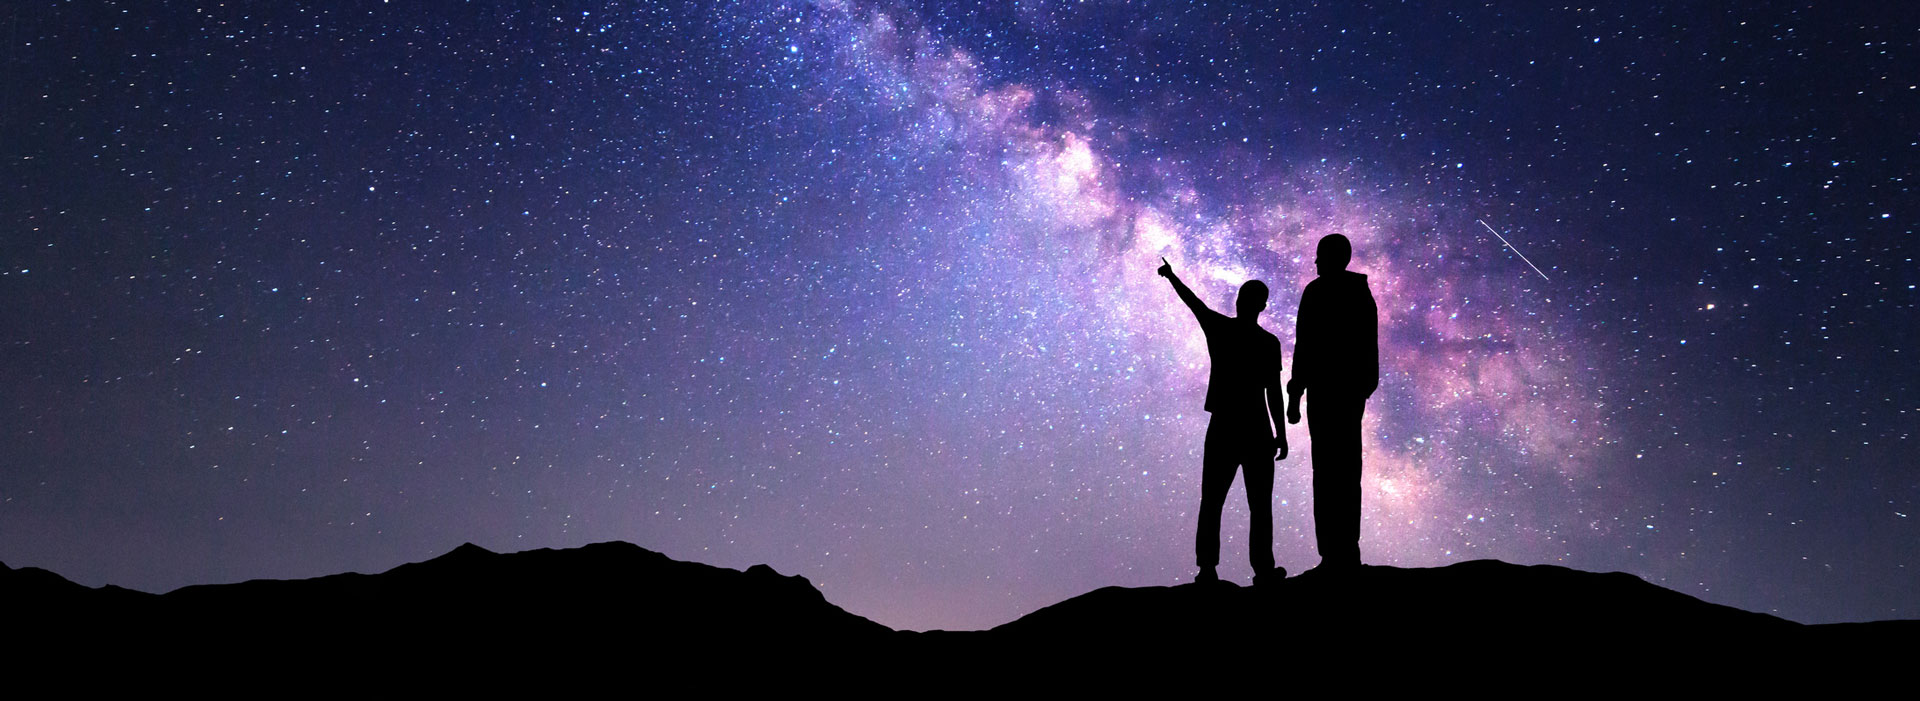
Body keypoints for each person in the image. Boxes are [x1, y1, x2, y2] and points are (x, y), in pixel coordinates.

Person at [1158, 257, 1289, 585]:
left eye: (1247, 297)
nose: (1243, 301)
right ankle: (1225, 568)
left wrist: (1281, 432)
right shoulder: (1256, 339)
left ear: (1255, 304)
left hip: (1238, 426)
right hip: (1245, 426)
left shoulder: (1243, 336)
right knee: (1232, 501)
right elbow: (1193, 303)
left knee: (1239, 502)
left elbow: (1274, 390)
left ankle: (1229, 568)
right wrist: (1172, 277)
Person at [1285, 234, 1379, 573]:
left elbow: (1306, 346)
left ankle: (1340, 552)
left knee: (1333, 470)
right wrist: (1297, 392)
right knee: (1337, 470)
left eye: (1319, 255)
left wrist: (1296, 393)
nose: (1315, 262)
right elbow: (1306, 346)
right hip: (1336, 392)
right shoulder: (1344, 293)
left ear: (1333, 257)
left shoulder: (1325, 292)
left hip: (1335, 392)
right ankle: (1336, 552)